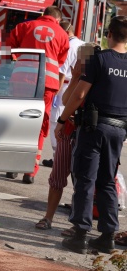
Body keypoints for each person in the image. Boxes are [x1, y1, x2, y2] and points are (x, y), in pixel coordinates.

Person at [57, 15, 127, 255]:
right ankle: (108, 236)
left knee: (86, 179)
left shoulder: (99, 59)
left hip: (93, 128)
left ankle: (80, 234)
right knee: (108, 180)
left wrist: (62, 119)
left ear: (109, 34)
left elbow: (78, 96)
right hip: (118, 130)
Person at [34, 43, 100, 231]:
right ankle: (48, 217)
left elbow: (77, 98)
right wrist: (76, 77)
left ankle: (77, 224)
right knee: (58, 177)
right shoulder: (81, 77)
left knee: (83, 181)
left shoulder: (97, 78)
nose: (77, 61)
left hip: (83, 134)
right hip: (69, 133)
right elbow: (65, 100)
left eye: (81, 58)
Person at [6, 6, 69, 184]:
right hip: (46, 85)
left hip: (21, 80)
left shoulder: (24, 26)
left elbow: (10, 49)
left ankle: (12, 166)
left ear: (44, 15)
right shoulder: (63, 35)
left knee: (18, 122)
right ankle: (30, 172)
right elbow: (61, 60)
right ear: (57, 20)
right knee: (40, 126)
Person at [42, 21, 84, 168]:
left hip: (64, 86)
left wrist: (54, 93)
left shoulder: (68, 46)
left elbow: (60, 73)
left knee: (56, 120)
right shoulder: (83, 44)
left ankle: (57, 157)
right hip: (79, 86)